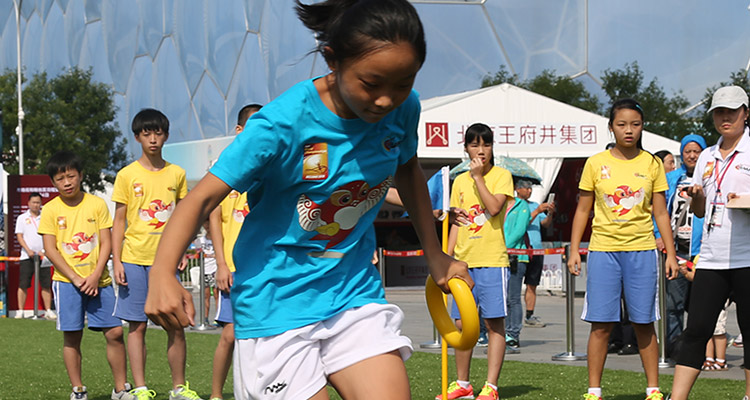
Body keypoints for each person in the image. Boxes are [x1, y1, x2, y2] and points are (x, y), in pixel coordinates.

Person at [144, 1, 471, 399]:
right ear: (332, 60)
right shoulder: (280, 125)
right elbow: (199, 199)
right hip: (275, 305)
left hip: (352, 295)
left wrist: (435, 255)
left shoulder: (404, 110)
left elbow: (408, 170)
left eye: (403, 83)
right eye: (371, 84)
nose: (386, 100)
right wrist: (162, 272)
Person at [568, 98, 678, 400]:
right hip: (603, 251)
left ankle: (653, 389)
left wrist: (670, 254)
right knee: (601, 325)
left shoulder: (652, 164)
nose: (629, 130)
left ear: (642, 127)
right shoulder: (595, 163)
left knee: (644, 322)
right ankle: (593, 391)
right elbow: (582, 210)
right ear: (611, 127)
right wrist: (574, 249)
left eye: (635, 124)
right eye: (622, 124)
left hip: (642, 251)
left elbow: (661, 213)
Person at [111, 109, 200, 400]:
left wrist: (184, 249)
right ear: (137, 137)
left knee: (176, 324)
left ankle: (179, 388)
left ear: (166, 136)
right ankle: (139, 388)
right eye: (146, 133)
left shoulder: (177, 173)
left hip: (167, 262)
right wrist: (117, 260)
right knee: (137, 326)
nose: (153, 139)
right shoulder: (126, 175)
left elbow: (185, 217)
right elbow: (119, 221)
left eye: (158, 133)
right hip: (133, 259)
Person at [670, 85, 750, 400]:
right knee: (696, 330)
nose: (725, 117)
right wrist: (697, 196)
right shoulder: (706, 155)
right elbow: (701, 211)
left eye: (732, 111)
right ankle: (677, 397)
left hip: (747, 256)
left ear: (746, 113)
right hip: (712, 257)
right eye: (719, 112)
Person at [39, 151, 135, 400]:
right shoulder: (50, 210)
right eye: (60, 179)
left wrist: (95, 276)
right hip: (66, 283)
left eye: (71, 176)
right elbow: (50, 249)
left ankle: (120, 389)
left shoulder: (97, 204)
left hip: (100, 281)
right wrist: (75, 278)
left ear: (81, 175)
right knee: (72, 336)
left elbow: (106, 242)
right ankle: (78, 389)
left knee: (115, 332)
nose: (67, 182)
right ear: (53, 182)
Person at [441, 122, 514, 400]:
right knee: (463, 325)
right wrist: (446, 258)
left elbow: (494, 208)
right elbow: (456, 222)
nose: (481, 150)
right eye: (474, 145)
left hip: (493, 260)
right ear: (466, 148)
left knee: (494, 324)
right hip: (463, 263)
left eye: (486, 144)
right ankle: (463, 383)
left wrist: (478, 177)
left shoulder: (502, 176)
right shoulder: (459, 181)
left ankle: (491, 386)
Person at [206, 103, 261, 400]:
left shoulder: (272, 163)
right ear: (239, 130)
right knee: (229, 334)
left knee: (263, 335)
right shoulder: (224, 165)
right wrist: (221, 263)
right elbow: (214, 218)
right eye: (253, 125)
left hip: (263, 267)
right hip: (233, 266)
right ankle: (217, 394)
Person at [654, 134, 707, 351]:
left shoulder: (711, 177)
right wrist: (658, 234)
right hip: (676, 252)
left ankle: (698, 349)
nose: (692, 156)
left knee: (701, 306)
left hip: (703, 252)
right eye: (688, 151)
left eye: (697, 151)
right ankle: (673, 347)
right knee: (672, 303)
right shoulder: (671, 179)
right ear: (681, 154)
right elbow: (658, 210)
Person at [515, 180, 555, 328]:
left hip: (536, 249)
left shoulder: (534, 205)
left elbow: (545, 224)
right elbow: (521, 224)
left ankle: (529, 315)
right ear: (517, 189)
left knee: (532, 284)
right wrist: (537, 211)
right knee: (514, 286)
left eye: (530, 188)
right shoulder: (513, 205)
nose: (529, 191)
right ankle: (511, 316)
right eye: (526, 188)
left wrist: (549, 213)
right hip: (519, 250)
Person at [14, 192, 55, 319]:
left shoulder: (45, 217)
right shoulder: (22, 218)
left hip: (44, 256)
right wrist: (28, 250)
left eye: (38, 202)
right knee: (23, 283)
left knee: (46, 284)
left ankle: (48, 310)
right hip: (27, 256)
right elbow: (19, 236)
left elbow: (50, 235)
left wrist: (45, 250)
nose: (36, 205)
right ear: (28, 203)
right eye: (34, 202)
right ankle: (20, 311)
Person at [503, 180, 531, 354]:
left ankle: (513, 334)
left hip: (516, 257)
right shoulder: (498, 204)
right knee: (503, 298)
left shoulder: (522, 206)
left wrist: (504, 247)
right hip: (499, 257)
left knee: (513, 297)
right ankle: (502, 332)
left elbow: (519, 231)